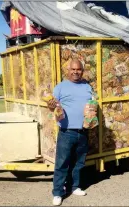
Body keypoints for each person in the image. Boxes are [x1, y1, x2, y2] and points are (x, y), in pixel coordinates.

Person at [47, 59, 95, 206]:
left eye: (78, 69)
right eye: (73, 69)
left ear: (82, 71)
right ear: (68, 71)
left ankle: (75, 187)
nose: (76, 72)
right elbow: (53, 107)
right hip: (66, 132)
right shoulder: (60, 87)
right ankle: (57, 193)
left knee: (79, 162)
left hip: (83, 131)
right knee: (62, 163)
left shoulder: (87, 86)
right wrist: (50, 106)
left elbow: (92, 104)